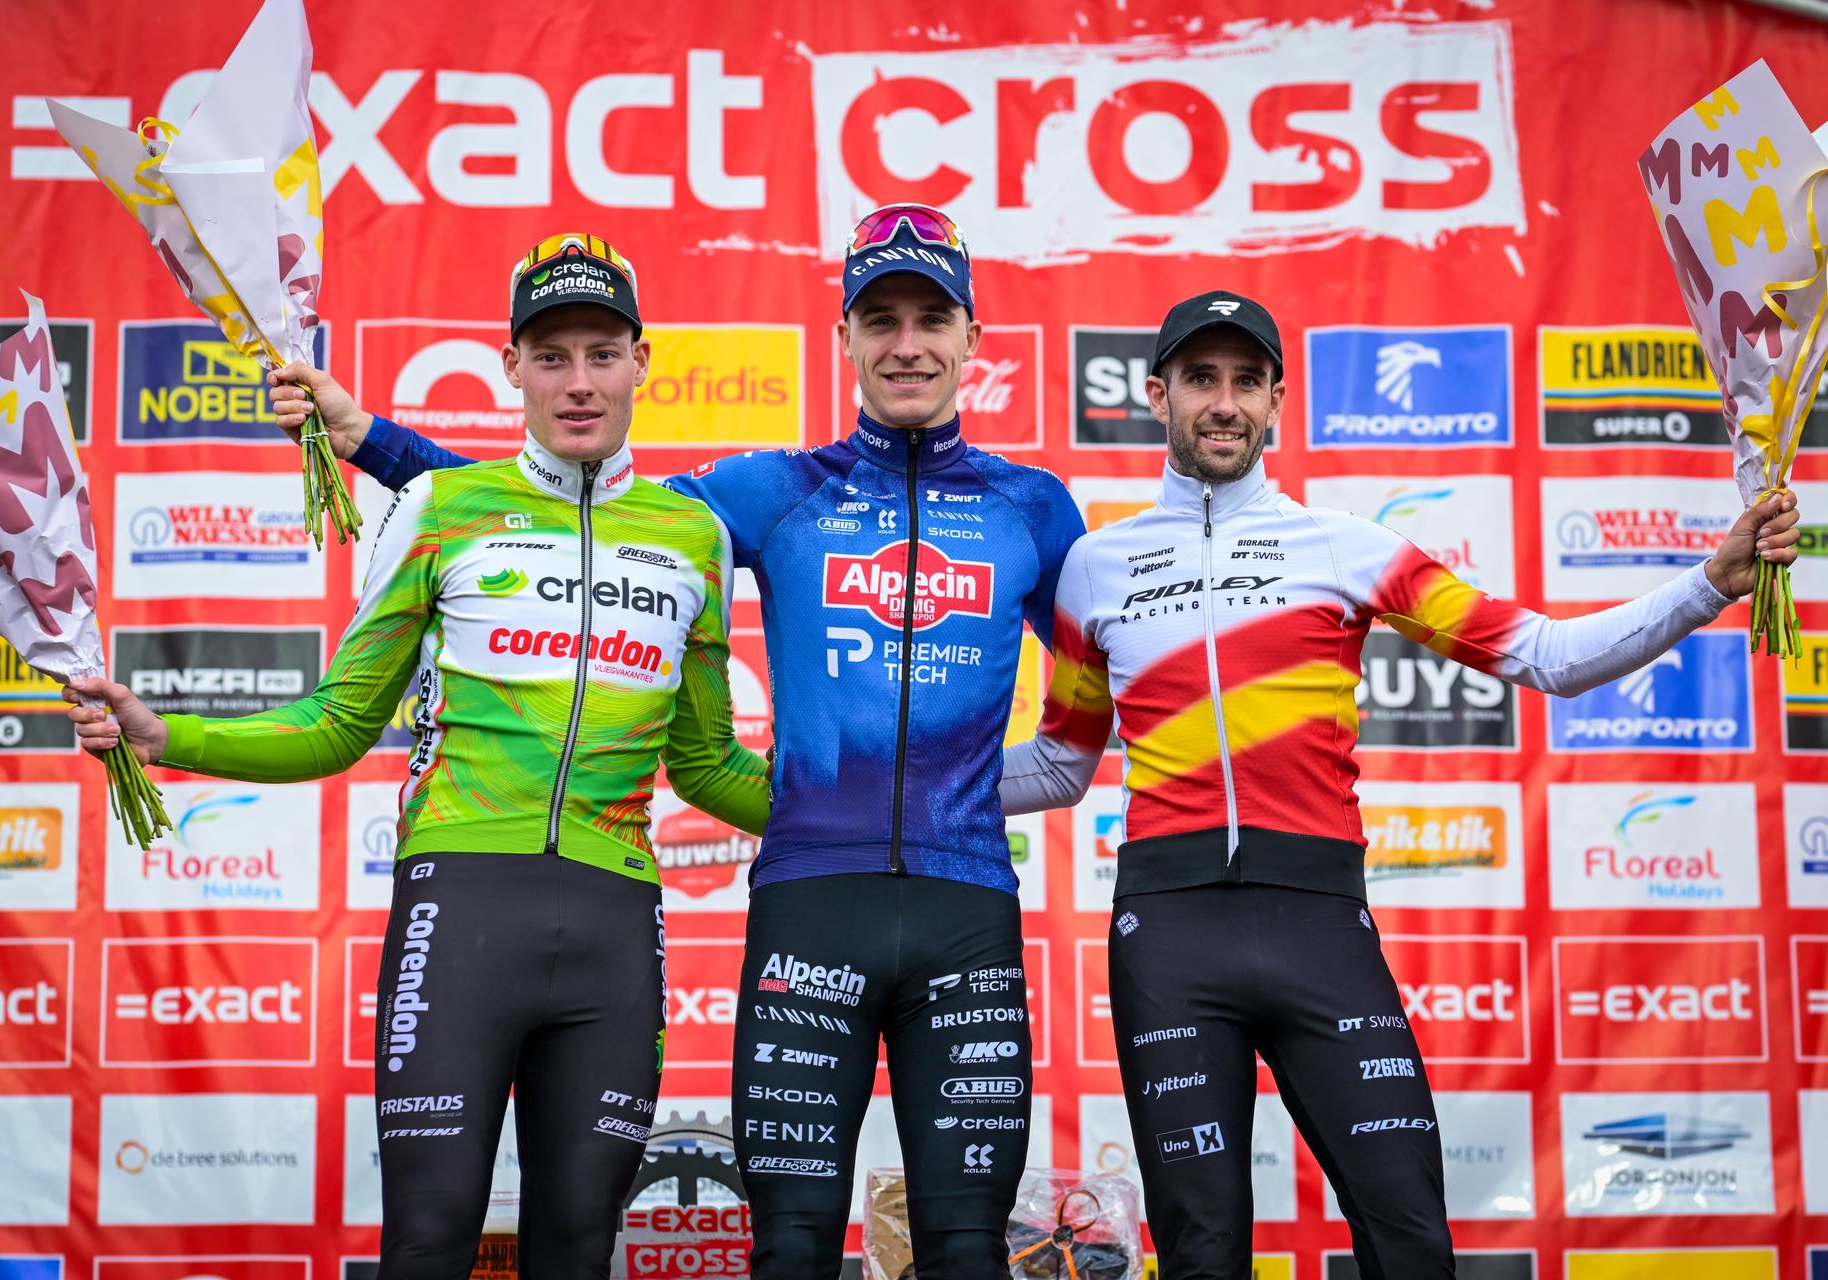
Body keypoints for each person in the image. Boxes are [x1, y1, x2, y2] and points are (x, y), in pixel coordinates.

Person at [266, 205, 1086, 1279]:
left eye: (933, 318)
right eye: (879, 319)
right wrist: (371, 437)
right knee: (789, 1243)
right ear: (843, 337)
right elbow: (567, 503)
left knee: (968, 1249)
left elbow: (1084, 728)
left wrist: (973, 795)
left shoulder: (1038, 507)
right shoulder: (774, 491)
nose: (908, 344)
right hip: (812, 902)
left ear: (974, 339)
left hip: (966, 904)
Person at [999, 289, 1802, 1280]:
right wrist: (873, 794)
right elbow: (1059, 763)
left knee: (1412, 1235)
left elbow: (1542, 653)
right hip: (1168, 934)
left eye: (1246, 381)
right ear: (1156, 393)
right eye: (1201, 379)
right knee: (1203, 1251)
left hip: (1319, 924)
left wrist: (1710, 581)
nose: (1223, 402)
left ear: (1277, 400)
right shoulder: (1095, 567)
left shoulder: (1347, 547)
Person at [67, 233, 770, 1280]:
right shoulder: (440, 507)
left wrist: (880, 818)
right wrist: (168, 734)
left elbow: (710, 765)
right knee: (430, 1240)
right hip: (462, 907)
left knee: (579, 1247)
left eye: (601, 352)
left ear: (640, 359)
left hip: (618, 920)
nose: (578, 382)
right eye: (551, 356)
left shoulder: (692, 537)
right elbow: (338, 723)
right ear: (511, 366)